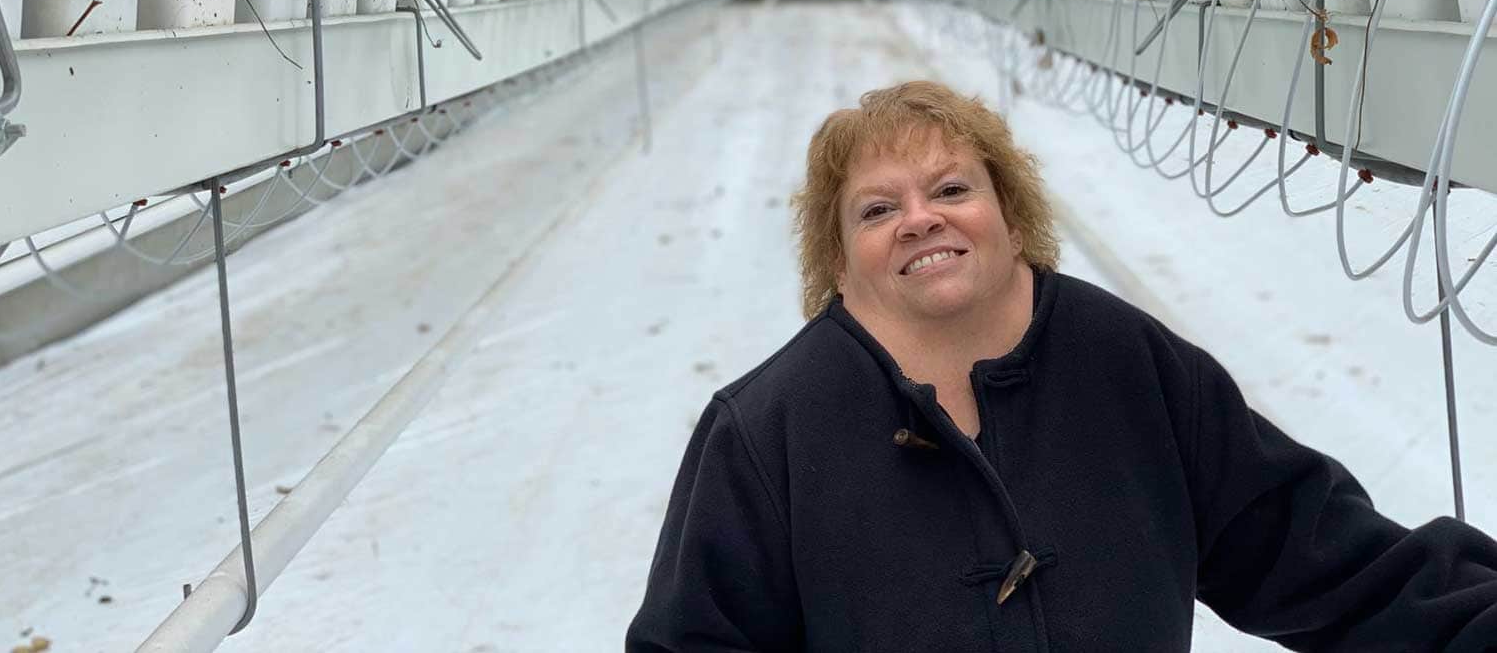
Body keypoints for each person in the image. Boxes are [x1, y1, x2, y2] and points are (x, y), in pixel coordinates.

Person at [625, 80, 1497, 652]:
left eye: (953, 189)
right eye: (878, 208)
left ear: (1009, 208)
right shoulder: (769, 425)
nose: (921, 220)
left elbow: (1317, 555)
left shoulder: (1128, 364)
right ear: (838, 252)